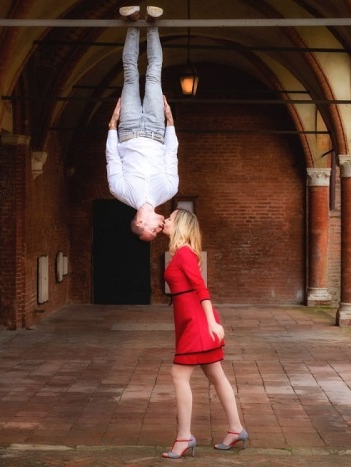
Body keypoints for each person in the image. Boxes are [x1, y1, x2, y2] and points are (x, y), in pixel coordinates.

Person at [161, 209, 249, 459]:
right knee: (216, 375)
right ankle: (236, 429)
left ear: (180, 225)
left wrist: (211, 323)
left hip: (197, 322)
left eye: (170, 218)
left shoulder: (185, 253)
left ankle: (184, 437)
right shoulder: (181, 252)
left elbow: (202, 288)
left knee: (178, 373)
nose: (165, 220)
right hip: (190, 320)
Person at [106, 6, 179, 242]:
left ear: (139, 222)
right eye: (158, 233)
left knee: (130, 75)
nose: (159, 231)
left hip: (127, 130)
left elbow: (112, 158)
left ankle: (133, 23)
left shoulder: (119, 191)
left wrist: (112, 127)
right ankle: (153, 24)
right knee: (153, 75)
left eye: (152, 231)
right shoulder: (169, 191)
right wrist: (170, 123)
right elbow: (171, 154)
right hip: (157, 130)